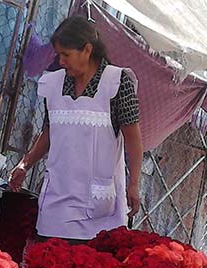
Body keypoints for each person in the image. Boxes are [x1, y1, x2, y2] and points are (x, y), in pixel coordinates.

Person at [8, 15, 143, 241]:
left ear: (87, 50)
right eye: (59, 54)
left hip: (97, 210)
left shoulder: (117, 82)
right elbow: (50, 131)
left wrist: (134, 184)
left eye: (66, 55)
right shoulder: (53, 83)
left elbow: (133, 138)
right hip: (56, 203)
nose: (60, 61)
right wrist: (25, 164)